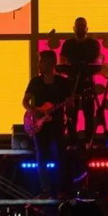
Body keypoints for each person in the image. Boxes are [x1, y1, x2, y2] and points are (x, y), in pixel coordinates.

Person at [22, 50, 71, 197]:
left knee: (60, 155)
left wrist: (69, 104)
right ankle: (45, 189)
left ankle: (60, 189)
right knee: (41, 156)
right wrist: (33, 111)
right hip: (40, 125)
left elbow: (69, 104)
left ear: (51, 63)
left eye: (41, 62)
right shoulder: (35, 82)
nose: (39, 65)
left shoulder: (62, 82)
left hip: (57, 124)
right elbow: (25, 101)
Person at [60, 17, 102, 146]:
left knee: (89, 114)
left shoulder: (93, 44)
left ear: (87, 28)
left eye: (83, 26)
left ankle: (89, 140)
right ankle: (72, 141)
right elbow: (62, 62)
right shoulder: (68, 44)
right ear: (74, 28)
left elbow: (97, 62)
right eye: (78, 26)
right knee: (71, 114)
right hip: (72, 83)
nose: (80, 28)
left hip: (88, 82)